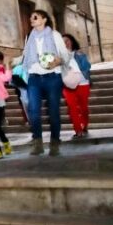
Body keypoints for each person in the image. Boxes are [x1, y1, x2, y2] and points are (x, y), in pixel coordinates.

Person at [22, 9, 70, 156]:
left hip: (52, 78)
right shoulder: (29, 37)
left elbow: (65, 56)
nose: (32, 19)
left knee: (53, 111)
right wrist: (17, 61)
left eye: (35, 17)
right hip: (34, 78)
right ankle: (38, 144)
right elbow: (26, 56)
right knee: (33, 111)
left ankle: (55, 143)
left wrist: (57, 61)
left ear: (44, 20)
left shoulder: (54, 35)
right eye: (31, 17)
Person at [62, 33, 92, 139]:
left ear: (72, 41)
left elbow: (87, 67)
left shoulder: (78, 53)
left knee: (84, 107)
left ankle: (85, 125)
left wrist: (81, 56)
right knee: (72, 108)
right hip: (67, 85)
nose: (65, 43)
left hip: (82, 83)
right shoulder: (59, 56)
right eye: (63, 42)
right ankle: (78, 130)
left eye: (67, 41)